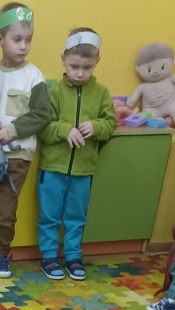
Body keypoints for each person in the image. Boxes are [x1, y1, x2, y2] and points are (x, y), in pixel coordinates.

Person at [37, 27, 117, 280]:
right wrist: (64, 130)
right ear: (63, 60)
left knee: (76, 217)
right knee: (49, 216)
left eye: (87, 67)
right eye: (74, 66)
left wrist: (96, 126)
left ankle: (73, 257)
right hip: (53, 168)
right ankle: (49, 257)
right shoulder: (54, 93)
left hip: (83, 170)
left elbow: (111, 123)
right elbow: (43, 127)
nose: (80, 73)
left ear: (97, 62)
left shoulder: (101, 93)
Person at [0, 2, 49, 278]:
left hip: (17, 158)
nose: (23, 46)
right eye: (17, 39)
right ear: (0, 39)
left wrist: (13, 130)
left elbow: (42, 114)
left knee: (5, 212)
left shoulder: (34, 77)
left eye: (28, 40)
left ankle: (2, 254)